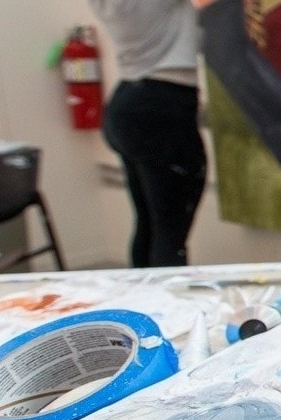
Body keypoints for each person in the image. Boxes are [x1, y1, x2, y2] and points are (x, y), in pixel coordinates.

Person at [88, 0, 205, 268]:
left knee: (152, 223)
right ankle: (165, 306)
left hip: (129, 105)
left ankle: (141, 301)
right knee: (169, 233)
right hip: (161, 107)